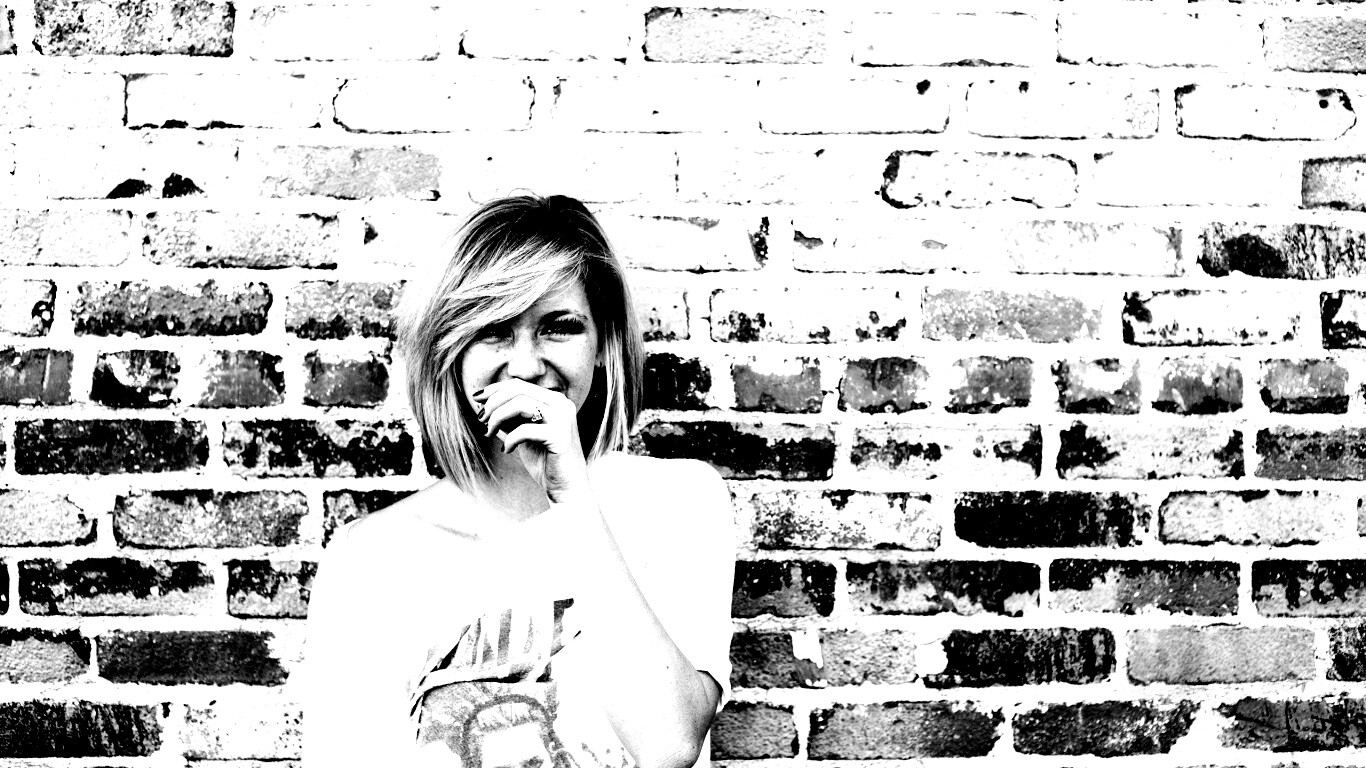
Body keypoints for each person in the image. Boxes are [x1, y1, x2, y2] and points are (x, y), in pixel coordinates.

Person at [301, 194, 736, 768]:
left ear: (603, 344)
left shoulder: (677, 504)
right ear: (451, 350)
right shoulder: (372, 558)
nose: (527, 365)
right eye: (495, 331)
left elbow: (669, 745)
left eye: (559, 328)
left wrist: (572, 497)